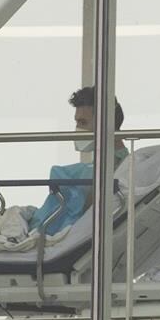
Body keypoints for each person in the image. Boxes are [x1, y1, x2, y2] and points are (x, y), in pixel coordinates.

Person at [27, 86, 128, 236]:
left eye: (83, 122)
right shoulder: (96, 165)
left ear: (107, 124)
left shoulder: (116, 169)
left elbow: (82, 215)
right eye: (77, 123)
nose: (77, 129)